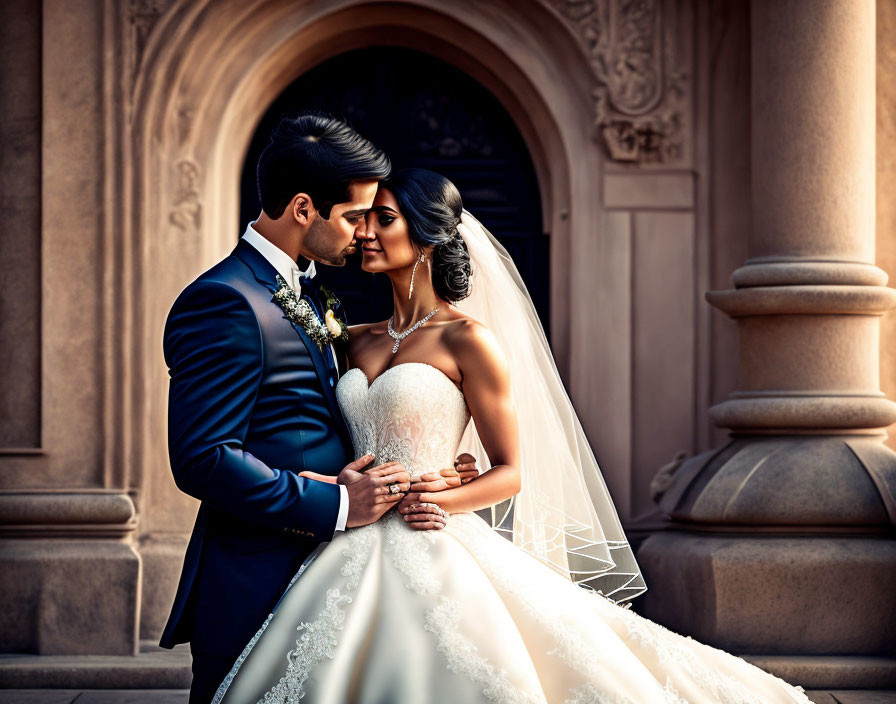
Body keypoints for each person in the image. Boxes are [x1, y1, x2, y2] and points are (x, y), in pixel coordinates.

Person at [211, 169, 813, 703]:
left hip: (432, 534)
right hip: (348, 533)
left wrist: (438, 493)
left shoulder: (467, 341)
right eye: (363, 219)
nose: (365, 232)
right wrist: (334, 482)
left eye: (384, 220)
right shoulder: (352, 338)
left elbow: (510, 470)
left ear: (425, 240)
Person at [159, 118, 474, 704]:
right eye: (355, 216)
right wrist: (336, 503)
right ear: (304, 208)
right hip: (260, 574)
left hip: (341, 572)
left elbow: (336, 415)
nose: (363, 233)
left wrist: (430, 461)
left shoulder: (313, 294)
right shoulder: (225, 300)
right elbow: (203, 457)